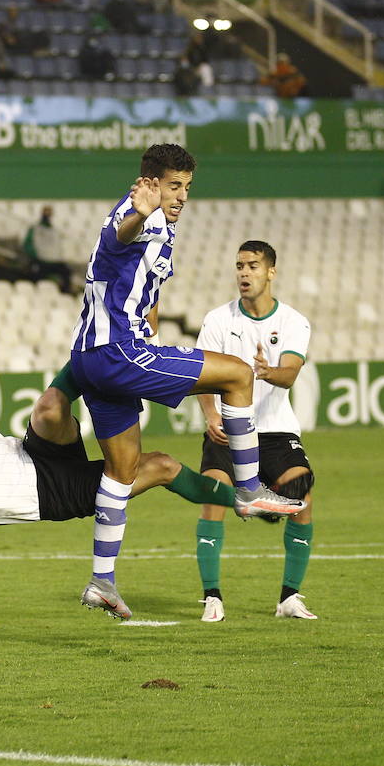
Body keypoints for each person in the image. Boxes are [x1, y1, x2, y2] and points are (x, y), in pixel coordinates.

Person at [0, 338, 302, 657]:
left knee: (51, 407)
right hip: (52, 495)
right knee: (162, 466)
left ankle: (102, 359)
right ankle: (242, 501)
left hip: (36, 450)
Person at [64, 146, 303, 619]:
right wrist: (140, 210)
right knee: (236, 374)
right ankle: (251, 488)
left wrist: (146, 312)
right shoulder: (136, 213)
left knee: (122, 471)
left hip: (92, 358)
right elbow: (119, 236)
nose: (182, 196)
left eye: (187, 187)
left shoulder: (162, 226)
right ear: (150, 182)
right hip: (117, 354)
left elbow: (135, 284)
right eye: (174, 185)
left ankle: (102, 581)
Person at [192, 241, 319, 622]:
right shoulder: (218, 320)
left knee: (304, 496)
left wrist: (266, 372)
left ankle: (289, 598)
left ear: (271, 272)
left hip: (276, 431)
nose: (244, 273)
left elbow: (291, 374)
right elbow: (200, 375)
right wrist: (211, 415)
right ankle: (212, 597)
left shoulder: (294, 322)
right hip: (229, 429)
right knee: (214, 493)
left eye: (252, 266)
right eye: (239, 266)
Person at [23, 206, 71, 291]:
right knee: (34, 274)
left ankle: (65, 292)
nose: (47, 215)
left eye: (49, 213)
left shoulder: (53, 230)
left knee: (67, 271)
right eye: (46, 213)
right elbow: (27, 245)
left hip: (53, 261)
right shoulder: (35, 229)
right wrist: (35, 256)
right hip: (41, 261)